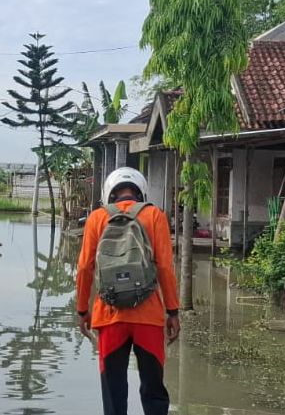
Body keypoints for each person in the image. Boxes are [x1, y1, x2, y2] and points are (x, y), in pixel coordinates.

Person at [76, 167, 180, 415]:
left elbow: (83, 269)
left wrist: (82, 311)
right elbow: (165, 267)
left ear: (109, 192)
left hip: (109, 316)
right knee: (153, 391)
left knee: (114, 392)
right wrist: (173, 311)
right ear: (140, 190)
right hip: (149, 316)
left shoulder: (97, 217)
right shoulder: (155, 215)